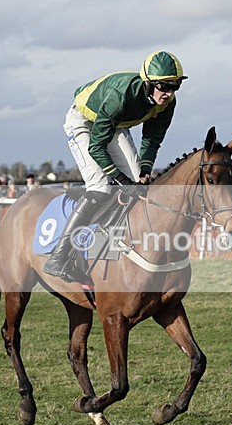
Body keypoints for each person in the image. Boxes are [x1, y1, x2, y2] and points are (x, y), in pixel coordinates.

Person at [44, 51, 187, 282]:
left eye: (175, 87)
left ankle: (116, 247)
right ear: (148, 83)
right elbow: (96, 147)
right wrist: (121, 180)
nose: (169, 94)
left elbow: (152, 138)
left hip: (114, 123)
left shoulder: (167, 103)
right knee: (101, 187)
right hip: (83, 121)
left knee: (139, 186)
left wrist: (144, 171)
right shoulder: (122, 96)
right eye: (164, 86)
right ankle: (59, 257)